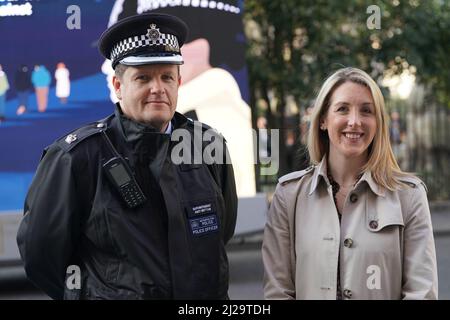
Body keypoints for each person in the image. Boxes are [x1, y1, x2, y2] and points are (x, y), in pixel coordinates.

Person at [17, 13, 237, 300]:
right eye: (143, 77)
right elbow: (40, 253)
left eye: (166, 77)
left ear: (178, 82)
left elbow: (222, 232)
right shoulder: (77, 156)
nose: (157, 88)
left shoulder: (208, 146)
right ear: (119, 87)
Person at [262, 67, 438, 300]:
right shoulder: (288, 195)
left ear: (378, 123)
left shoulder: (409, 195)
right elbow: (278, 292)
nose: (355, 122)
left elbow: (421, 292)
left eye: (366, 111)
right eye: (343, 109)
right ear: (323, 119)